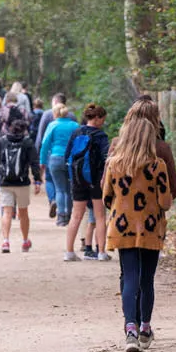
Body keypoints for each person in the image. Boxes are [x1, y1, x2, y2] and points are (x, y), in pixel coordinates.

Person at [103, 114, 175, 352]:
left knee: (130, 277)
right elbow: (166, 202)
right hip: (150, 228)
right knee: (147, 280)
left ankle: (130, 329)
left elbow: (106, 197)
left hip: (123, 228)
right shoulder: (157, 166)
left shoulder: (114, 164)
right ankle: (145, 327)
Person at [62, 104, 111, 261]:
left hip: (78, 180)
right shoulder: (101, 136)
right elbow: (106, 159)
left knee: (76, 216)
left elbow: (67, 156)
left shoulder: (76, 132)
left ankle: (69, 252)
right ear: (96, 118)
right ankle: (101, 252)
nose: (103, 122)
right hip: (96, 180)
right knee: (100, 216)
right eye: (102, 119)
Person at [0, 116, 43, 253]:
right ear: (24, 130)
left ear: (10, 128)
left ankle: (5, 242)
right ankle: (25, 241)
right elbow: (34, 163)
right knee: (23, 212)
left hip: (5, 182)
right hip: (22, 182)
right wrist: (37, 180)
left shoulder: (2, 141)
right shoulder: (27, 142)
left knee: (7, 212)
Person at [39, 103, 78, 227]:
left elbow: (45, 144)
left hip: (55, 158)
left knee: (60, 189)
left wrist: (42, 161)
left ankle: (61, 217)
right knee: (69, 189)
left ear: (55, 113)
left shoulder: (53, 125)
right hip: (71, 159)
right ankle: (69, 215)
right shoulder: (75, 126)